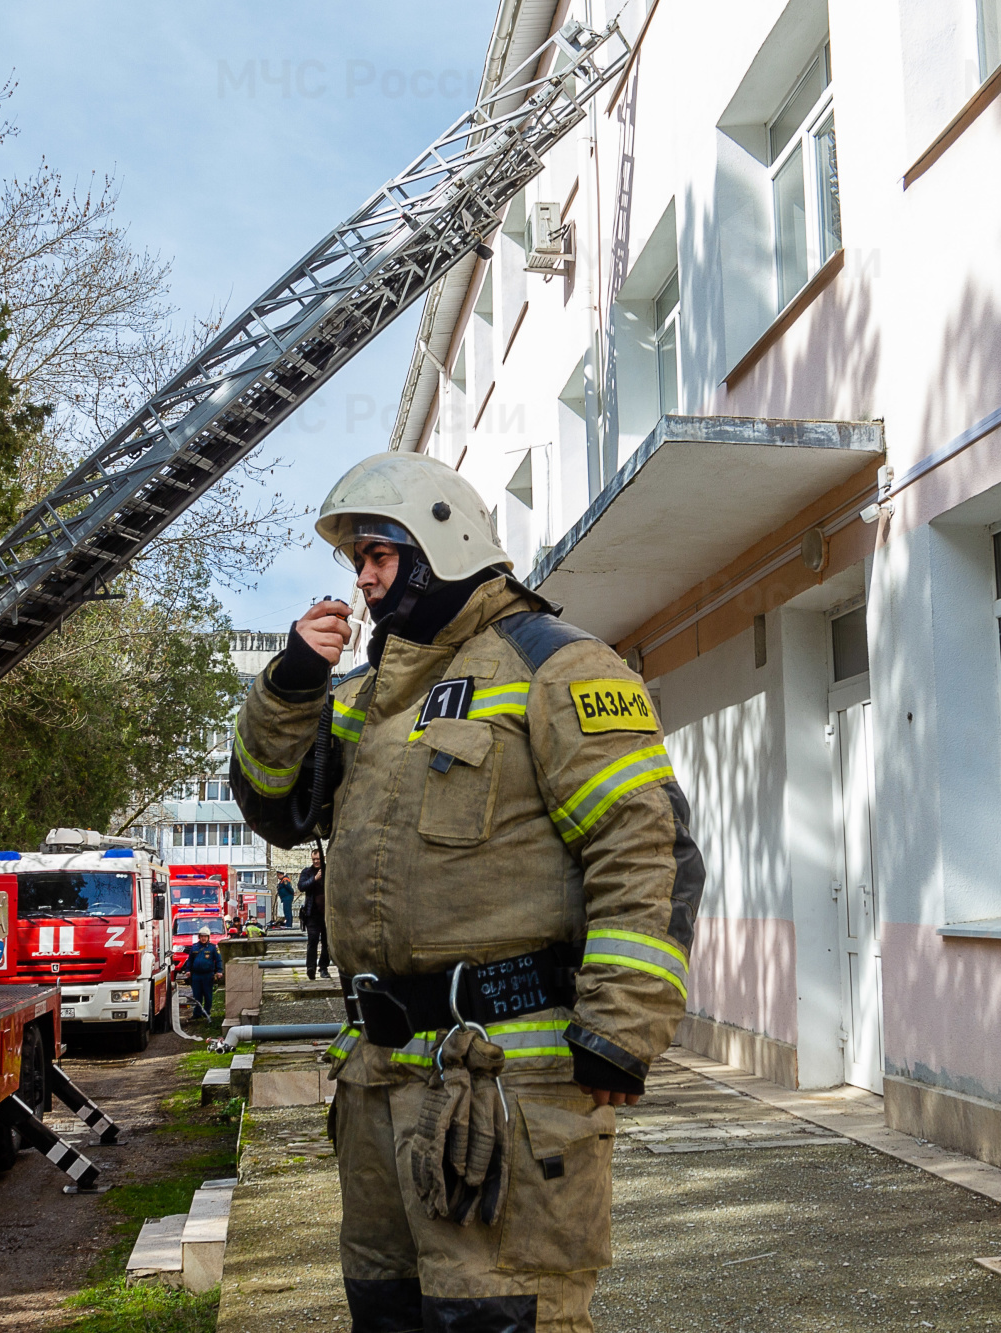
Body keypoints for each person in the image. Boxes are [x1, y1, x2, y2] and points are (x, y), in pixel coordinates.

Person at [230, 452, 703, 1333]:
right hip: (377, 1083)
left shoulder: (560, 667)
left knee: (498, 1317)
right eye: (358, 561)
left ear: (443, 539)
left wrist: (620, 1031)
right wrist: (288, 686)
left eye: (379, 553)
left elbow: (647, 849)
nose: (364, 579)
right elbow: (274, 805)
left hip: (505, 1087)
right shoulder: (371, 696)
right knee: (388, 1312)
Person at [297, 849, 330, 980]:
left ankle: (323, 968)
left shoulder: (329, 871)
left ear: (323, 858)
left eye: (318, 859)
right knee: (312, 942)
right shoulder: (307, 872)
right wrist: (315, 879)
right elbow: (301, 886)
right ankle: (311, 968)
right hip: (312, 914)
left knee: (326, 943)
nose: (316, 861)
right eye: (314, 859)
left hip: (327, 914)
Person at [182, 927, 224, 1024]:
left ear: (208, 937)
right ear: (199, 937)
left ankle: (206, 1012)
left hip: (208, 975)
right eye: (202, 936)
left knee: (208, 995)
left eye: (205, 936)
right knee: (197, 995)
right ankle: (197, 1014)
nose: (203, 938)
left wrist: (219, 971)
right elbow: (190, 960)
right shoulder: (194, 947)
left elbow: (218, 960)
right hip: (196, 975)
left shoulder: (213, 948)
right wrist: (188, 970)